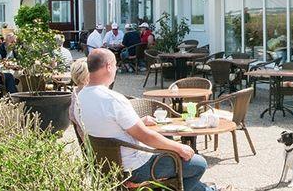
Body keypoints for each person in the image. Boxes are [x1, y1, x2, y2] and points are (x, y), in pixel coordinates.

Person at [76, 49, 226, 191]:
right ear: (109, 66)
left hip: (106, 167)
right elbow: (146, 136)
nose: (116, 70)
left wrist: (139, 121)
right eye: (115, 65)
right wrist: (179, 148)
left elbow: (106, 126)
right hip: (135, 168)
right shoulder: (113, 99)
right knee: (199, 164)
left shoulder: (79, 99)